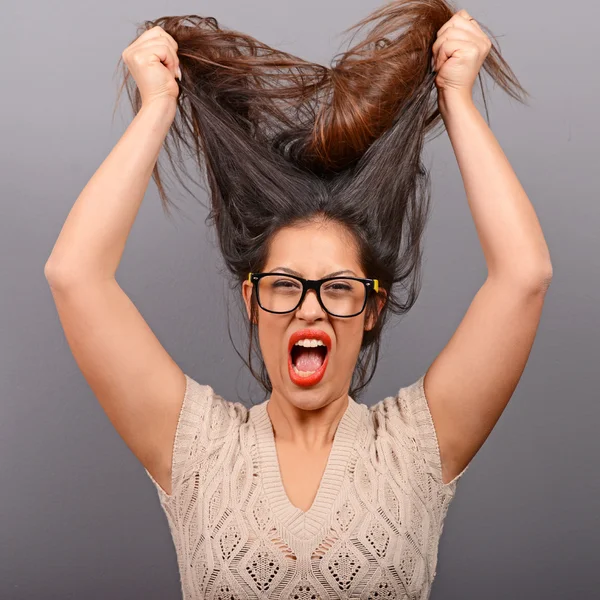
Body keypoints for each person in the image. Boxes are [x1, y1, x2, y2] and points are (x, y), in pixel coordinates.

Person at [44, 1, 552, 598]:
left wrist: (457, 98)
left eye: (338, 288)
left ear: (372, 309)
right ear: (252, 300)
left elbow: (524, 275)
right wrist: (158, 105)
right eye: (285, 285)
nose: (309, 308)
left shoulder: (417, 446)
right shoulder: (197, 447)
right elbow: (74, 274)